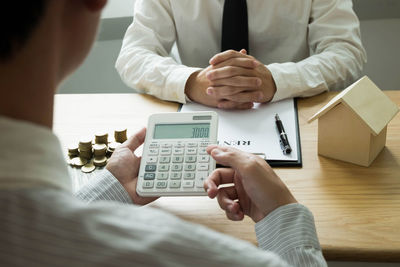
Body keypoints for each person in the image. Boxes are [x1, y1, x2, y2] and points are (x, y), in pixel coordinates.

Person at [0, 0, 327, 266]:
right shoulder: (200, 256)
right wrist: (284, 215)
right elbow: (132, 54)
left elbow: (347, 50)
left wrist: (108, 192)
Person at [116, 0, 367, 109]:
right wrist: (191, 82)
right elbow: (132, 54)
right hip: (195, 116)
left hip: (292, 111)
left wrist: (278, 80)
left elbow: (347, 52)